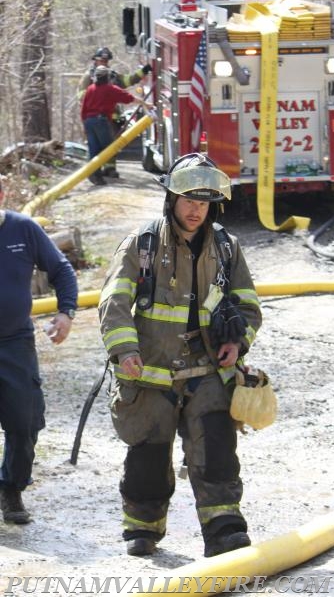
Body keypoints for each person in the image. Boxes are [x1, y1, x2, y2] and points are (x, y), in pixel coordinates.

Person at [98, 153, 262, 558]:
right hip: (151, 374)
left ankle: (224, 527)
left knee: (217, 448)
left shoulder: (226, 248)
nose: (196, 210)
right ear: (170, 199)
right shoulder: (143, 245)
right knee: (149, 455)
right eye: (189, 200)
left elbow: (249, 306)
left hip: (207, 371)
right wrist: (124, 351)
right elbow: (114, 301)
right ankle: (143, 527)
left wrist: (237, 342)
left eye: (204, 203)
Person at [0, 177, 78, 524]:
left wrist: (66, 312)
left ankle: (11, 489)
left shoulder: (23, 229)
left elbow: (61, 270)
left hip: (14, 342)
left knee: (24, 420)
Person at [77, 47, 152, 179]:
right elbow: (81, 96)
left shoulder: (111, 76)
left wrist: (143, 71)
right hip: (98, 118)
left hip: (110, 118)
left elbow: (128, 80)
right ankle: (95, 171)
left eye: (106, 60)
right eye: (102, 60)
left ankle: (109, 169)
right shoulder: (89, 77)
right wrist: (102, 93)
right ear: (95, 60)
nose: (104, 62)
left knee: (110, 146)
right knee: (103, 146)